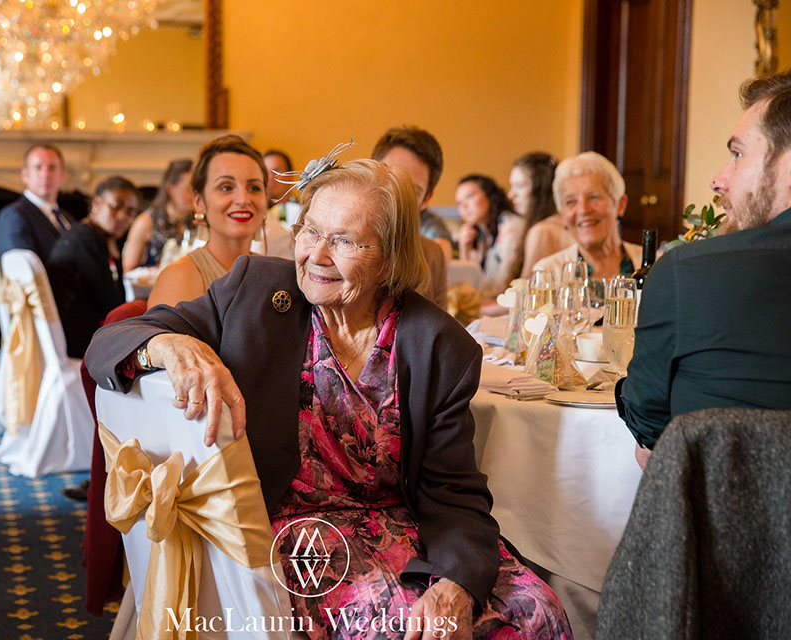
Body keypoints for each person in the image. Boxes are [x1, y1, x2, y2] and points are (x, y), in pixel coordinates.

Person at [86, 159, 570, 639]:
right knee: (396, 629)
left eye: (344, 241)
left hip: (408, 530)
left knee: (537, 611)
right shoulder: (254, 293)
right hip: (297, 531)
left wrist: (454, 584)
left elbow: (453, 492)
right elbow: (109, 343)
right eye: (310, 231)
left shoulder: (438, 345)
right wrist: (173, 343)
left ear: (391, 256)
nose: (316, 254)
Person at [617, 69, 791, 465]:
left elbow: (651, 438)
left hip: (724, 523)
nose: (718, 180)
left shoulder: (688, 275)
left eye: (737, 154)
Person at [145, 135, 268, 308]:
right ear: (199, 202)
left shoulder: (273, 274)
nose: (243, 199)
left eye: (254, 188)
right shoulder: (179, 277)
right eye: (226, 187)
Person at [47, 176, 141, 359]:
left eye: (130, 212)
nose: (123, 216)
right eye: (116, 206)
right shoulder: (84, 239)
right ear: (96, 203)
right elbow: (111, 304)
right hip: (78, 341)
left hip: (87, 333)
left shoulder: (100, 238)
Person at [371, 126, 450, 308]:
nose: (395, 196)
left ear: (425, 200)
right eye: (388, 178)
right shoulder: (332, 241)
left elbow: (440, 331)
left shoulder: (431, 255)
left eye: (412, 191)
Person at [532, 152, 642, 280]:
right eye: (570, 201)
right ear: (561, 214)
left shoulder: (655, 265)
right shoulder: (548, 273)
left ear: (620, 205)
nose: (583, 210)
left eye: (593, 197)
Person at [0, 144, 72, 261]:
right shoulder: (12, 216)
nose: (45, 174)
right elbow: (23, 272)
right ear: (25, 175)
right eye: (38, 167)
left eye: (52, 168)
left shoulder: (67, 217)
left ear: (62, 176)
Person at [455, 175, 527, 297]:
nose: (464, 207)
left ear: (489, 195)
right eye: (459, 203)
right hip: (490, 302)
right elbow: (467, 287)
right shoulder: (480, 233)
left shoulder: (511, 226)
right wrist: (464, 250)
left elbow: (500, 286)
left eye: (469, 197)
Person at [121, 158, 194, 272]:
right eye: (188, 189)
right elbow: (128, 269)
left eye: (197, 189)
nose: (194, 195)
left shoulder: (199, 219)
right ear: (170, 189)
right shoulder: (146, 222)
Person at [511, 153, 572, 278]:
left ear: (541, 190)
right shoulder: (567, 223)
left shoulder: (542, 231)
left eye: (519, 186)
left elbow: (527, 292)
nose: (511, 194)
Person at [262, 148, 298, 258]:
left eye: (276, 171)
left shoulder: (305, 210)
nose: (270, 178)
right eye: (265, 172)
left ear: (290, 175)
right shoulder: (255, 214)